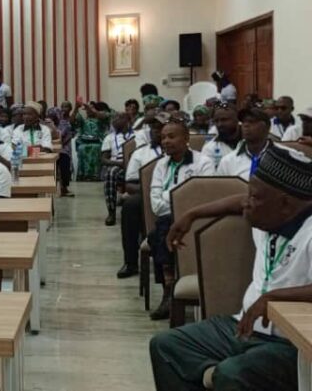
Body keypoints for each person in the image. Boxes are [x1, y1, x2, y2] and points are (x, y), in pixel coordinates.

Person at [151, 146, 312, 391]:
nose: (246, 203)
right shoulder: (268, 214)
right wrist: (191, 214)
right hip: (241, 327)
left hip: (289, 343)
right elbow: (239, 201)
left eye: (254, 197)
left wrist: (272, 298)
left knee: (231, 374)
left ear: (286, 204)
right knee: (166, 346)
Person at [148, 119, 215, 320]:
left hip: (196, 220)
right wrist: (180, 197)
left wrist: (170, 197)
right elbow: (156, 205)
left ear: (186, 138)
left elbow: (204, 198)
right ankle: (169, 289)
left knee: (158, 232)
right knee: (160, 229)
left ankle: (168, 290)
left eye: (171, 136)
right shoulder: (161, 165)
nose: (166, 141)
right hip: (168, 219)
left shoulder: (203, 163)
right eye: (163, 137)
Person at [118, 114, 167, 279]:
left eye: (160, 128)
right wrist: (151, 191)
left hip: (176, 194)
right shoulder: (140, 153)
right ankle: (130, 262)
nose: (156, 131)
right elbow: (130, 185)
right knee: (130, 206)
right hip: (146, 194)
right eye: (153, 128)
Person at [100, 113, 134, 225]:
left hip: (135, 165)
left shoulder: (136, 135)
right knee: (110, 173)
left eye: (119, 118)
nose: (115, 120)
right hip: (118, 166)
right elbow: (104, 159)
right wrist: (120, 163)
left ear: (128, 120)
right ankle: (111, 212)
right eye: (114, 118)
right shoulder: (109, 138)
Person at [201, 104, 242, 170]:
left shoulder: (252, 143)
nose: (219, 124)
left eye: (224, 120)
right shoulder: (209, 148)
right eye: (216, 121)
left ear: (237, 120)